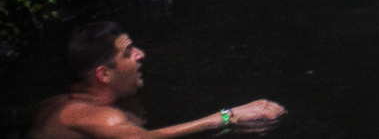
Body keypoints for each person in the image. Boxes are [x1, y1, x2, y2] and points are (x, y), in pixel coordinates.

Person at [31, 22, 285, 138]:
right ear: (104, 75)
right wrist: (228, 116)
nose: (141, 54)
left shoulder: (51, 105)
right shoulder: (103, 118)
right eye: (128, 52)